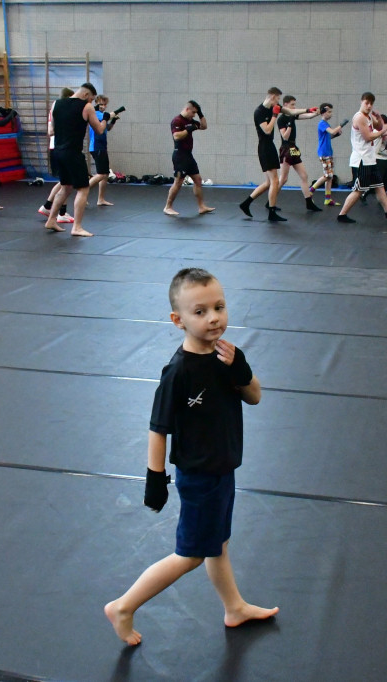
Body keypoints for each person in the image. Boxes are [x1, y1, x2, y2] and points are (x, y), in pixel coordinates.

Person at [104, 267, 278, 646]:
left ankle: (234, 608)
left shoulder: (228, 356)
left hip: (223, 468)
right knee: (191, 555)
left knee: (217, 544)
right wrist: (155, 478)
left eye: (219, 307)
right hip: (199, 476)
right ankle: (123, 606)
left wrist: (241, 369)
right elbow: (158, 428)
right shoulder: (178, 372)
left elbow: (255, 396)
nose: (213, 317)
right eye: (200, 312)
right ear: (177, 320)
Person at [42, 82, 108, 237]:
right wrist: (105, 119)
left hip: (58, 151)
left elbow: (51, 130)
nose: (90, 102)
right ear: (86, 95)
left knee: (65, 187)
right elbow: (99, 130)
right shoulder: (86, 107)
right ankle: (77, 227)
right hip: (73, 153)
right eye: (91, 99)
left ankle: (51, 219)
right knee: (83, 188)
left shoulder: (56, 104)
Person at [239, 87, 307, 222]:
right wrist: (275, 115)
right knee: (275, 181)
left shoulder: (273, 107)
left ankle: (245, 203)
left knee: (269, 182)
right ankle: (271, 212)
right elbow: (267, 130)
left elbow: (290, 111)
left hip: (270, 146)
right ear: (272, 97)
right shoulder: (259, 112)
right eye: (278, 99)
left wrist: (309, 111)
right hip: (264, 147)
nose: (278, 102)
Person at [337, 93, 387, 224]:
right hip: (361, 161)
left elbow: (378, 126)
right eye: (366, 103)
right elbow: (369, 137)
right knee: (358, 191)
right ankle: (342, 214)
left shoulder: (368, 117)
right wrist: (384, 130)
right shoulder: (359, 118)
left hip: (370, 159)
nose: (369, 106)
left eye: (371, 104)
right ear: (361, 102)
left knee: (380, 187)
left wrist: (379, 118)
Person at [163, 100, 215, 216]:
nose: (194, 115)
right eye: (193, 112)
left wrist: (201, 114)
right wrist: (188, 130)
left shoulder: (190, 121)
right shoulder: (177, 120)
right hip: (179, 155)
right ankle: (168, 207)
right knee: (178, 182)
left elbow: (204, 126)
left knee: (198, 180)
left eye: (196, 113)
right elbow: (176, 136)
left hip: (188, 155)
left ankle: (201, 207)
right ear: (187, 109)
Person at [276, 95, 322, 212]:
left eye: (294, 105)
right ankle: (270, 201)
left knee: (304, 176)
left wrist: (318, 112)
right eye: (292, 105)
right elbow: (285, 136)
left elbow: (308, 116)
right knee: (283, 179)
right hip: (286, 149)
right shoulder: (281, 119)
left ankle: (309, 202)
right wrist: (290, 123)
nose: (294, 107)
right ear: (285, 105)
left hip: (294, 148)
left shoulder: (293, 115)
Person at [37, 87, 76, 225]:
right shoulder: (60, 106)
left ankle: (48, 206)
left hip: (57, 147)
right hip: (60, 147)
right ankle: (62, 213)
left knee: (64, 182)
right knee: (66, 183)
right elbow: (51, 131)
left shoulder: (56, 106)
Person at [309, 103, 344, 206]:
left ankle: (327, 198)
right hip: (324, 152)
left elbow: (329, 136)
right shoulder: (322, 123)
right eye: (329, 112)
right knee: (327, 175)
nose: (331, 114)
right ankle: (310, 192)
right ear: (323, 112)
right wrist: (341, 125)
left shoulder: (326, 124)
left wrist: (336, 135)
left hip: (328, 152)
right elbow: (332, 131)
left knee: (330, 177)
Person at [88, 94, 120, 207]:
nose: (103, 106)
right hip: (96, 147)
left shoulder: (102, 115)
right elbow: (106, 116)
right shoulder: (95, 114)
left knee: (105, 174)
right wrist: (115, 113)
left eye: (105, 104)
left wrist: (113, 121)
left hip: (102, 146)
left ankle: (100, 199)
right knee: (101, 174)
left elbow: (107, 128)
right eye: (101, 104)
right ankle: (82, 193)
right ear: (96, 104)